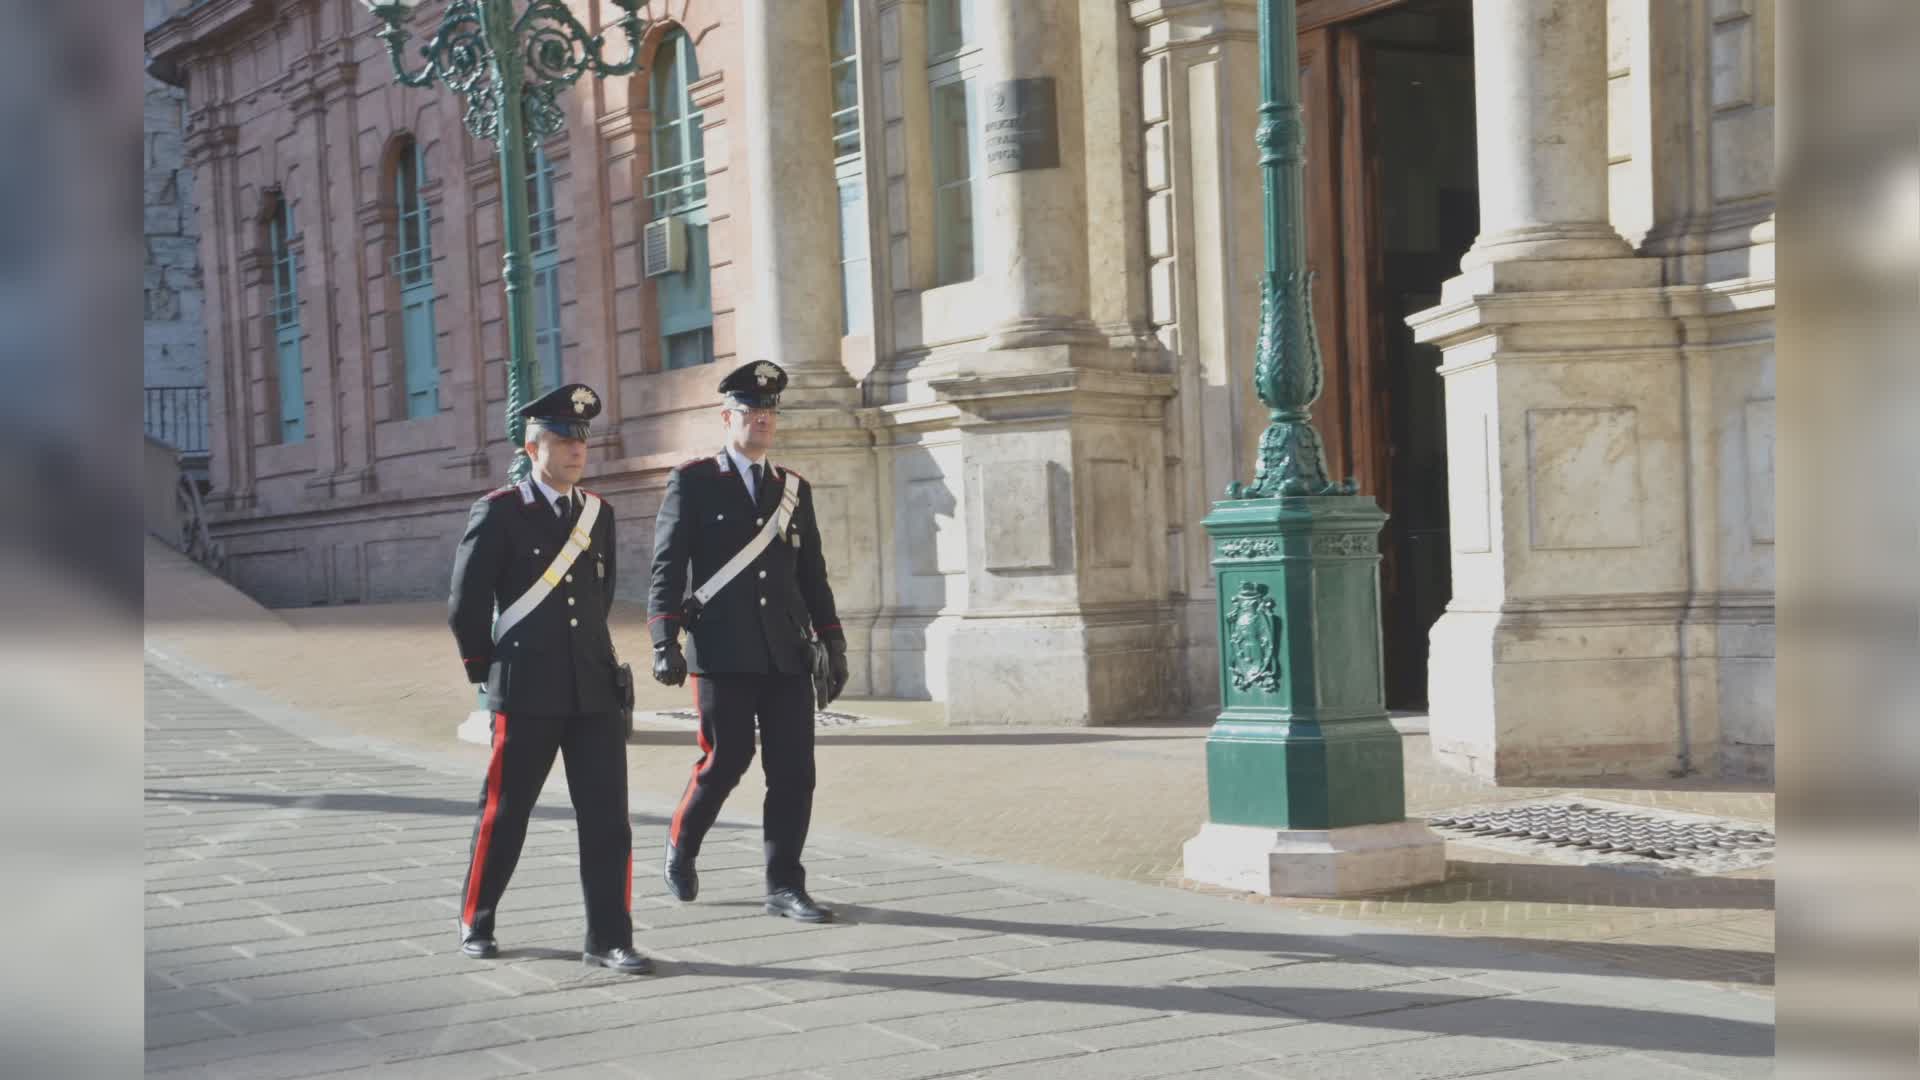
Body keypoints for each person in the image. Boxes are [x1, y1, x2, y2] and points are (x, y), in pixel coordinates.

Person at [446, 383, 650, 974]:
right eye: (562, 440)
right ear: (534, 447)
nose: (576, 451)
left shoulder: (598, 513)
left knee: (608, 819)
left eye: (580, 440)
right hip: (526, 687)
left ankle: (609, 937)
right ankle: (476, 919)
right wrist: (487, 676)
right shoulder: (500, 511)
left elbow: (599, 596)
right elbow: (466, 603)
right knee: (506, 811)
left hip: (592, 688)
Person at [648, 359, 850, 923]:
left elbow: (813, 574)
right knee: (727, 759)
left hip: (785, 652)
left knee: (794, 770)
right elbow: (667, 568)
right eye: (750, 412)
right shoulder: (692, 481)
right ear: (726, 417)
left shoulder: (793, 489)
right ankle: (682, 845)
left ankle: (785, 883)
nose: (761, 420)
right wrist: (664, 639)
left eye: (768, 413)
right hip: (722, 651)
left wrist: (833, 643)